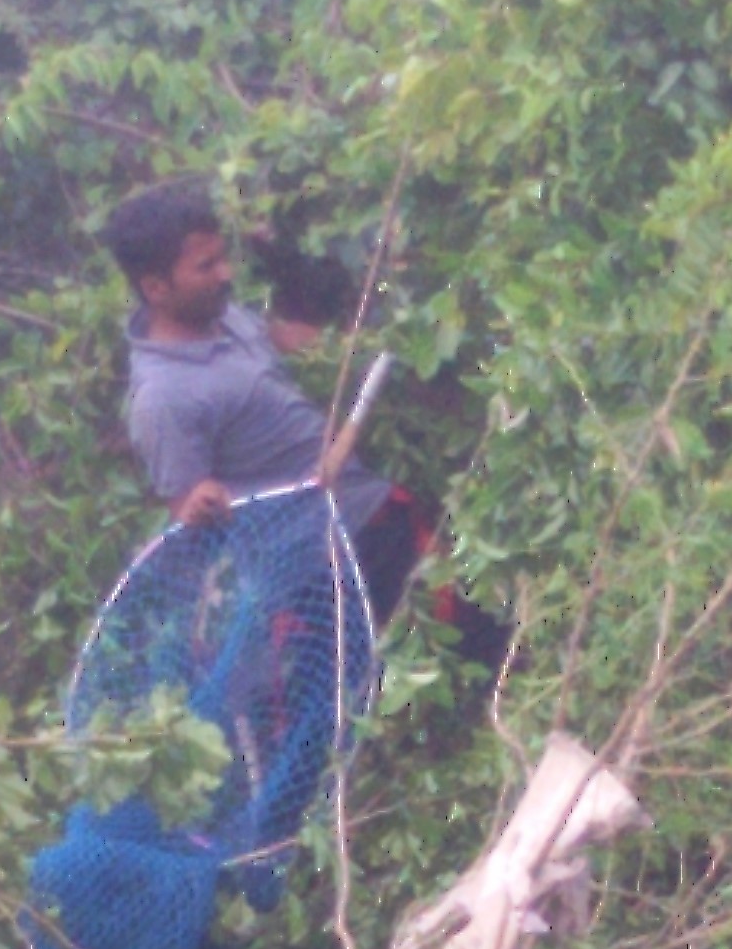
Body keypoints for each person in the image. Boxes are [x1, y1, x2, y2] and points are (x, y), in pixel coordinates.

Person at [100, 180, 508, 659]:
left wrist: (360, 346)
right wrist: (199, 506)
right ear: (155, 288)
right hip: (326, 562)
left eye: (222, 257)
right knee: (454, 649)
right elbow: (188, 513)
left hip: (369, 509)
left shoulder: (220, 315)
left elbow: (278, 337)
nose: (226, 273)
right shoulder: (162, 398)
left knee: (482, 618)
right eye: (205, 267)